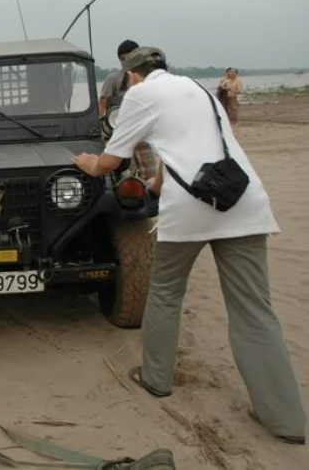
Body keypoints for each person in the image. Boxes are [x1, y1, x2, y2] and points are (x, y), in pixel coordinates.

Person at [74, 47, 306, 445]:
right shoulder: (198, 89)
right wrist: (157, 184)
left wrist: (86, 163)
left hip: (192, 209)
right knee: (255, 312)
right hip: (243, 199)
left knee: (165, 293)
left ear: (131, 76)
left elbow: (111, 161)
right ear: (164, 68)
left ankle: (156, 378)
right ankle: (285, 420)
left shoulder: (139, 95)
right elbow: (187, 149)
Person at [99, 39, 158, 181]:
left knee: (150, 172)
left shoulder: (148, 78)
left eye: (130, 58)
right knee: (126, 174)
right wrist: (105, 129)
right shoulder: (113, 78)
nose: (126, 62)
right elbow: (102, 103)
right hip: (122, 132)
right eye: (122, 59)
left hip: (145, 133)